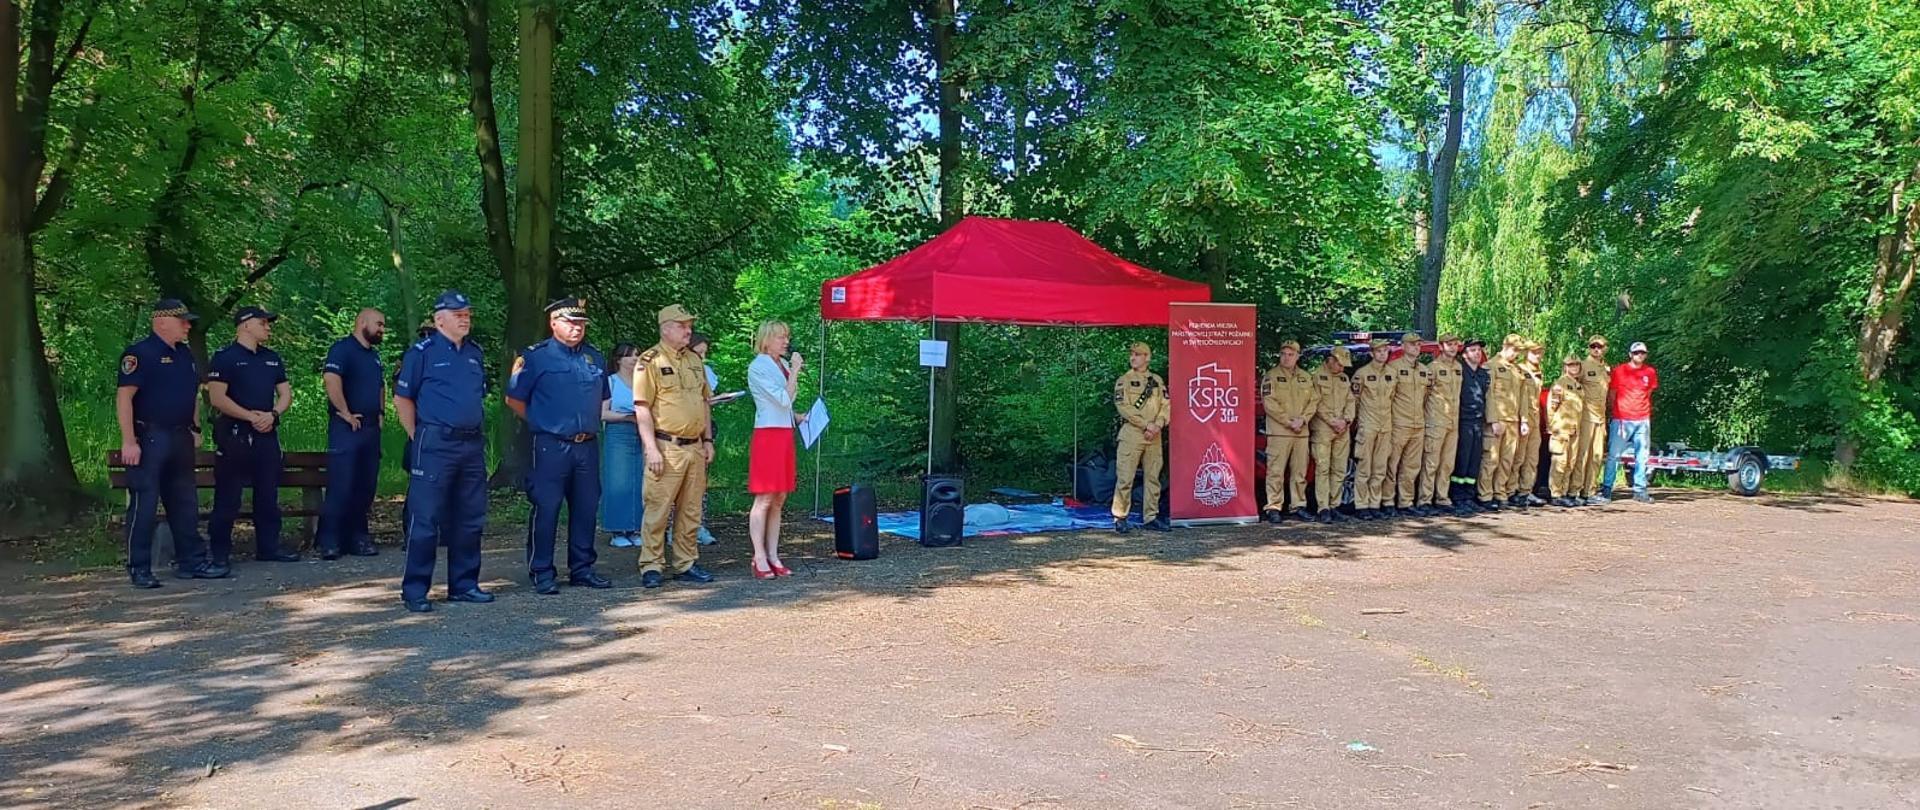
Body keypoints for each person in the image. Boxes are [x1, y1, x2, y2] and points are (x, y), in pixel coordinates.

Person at [394, 290, 492, 612]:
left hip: (471, 444)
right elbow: (403, 399)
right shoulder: (421, 353)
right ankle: (415, 590)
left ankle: (464, 584)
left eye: (467, 314)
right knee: (425, 518)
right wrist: (418, 435)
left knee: (470, 516)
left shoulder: (475, 354)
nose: (465, 318)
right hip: (435, 444)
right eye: (458, 314)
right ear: (439, 320)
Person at [507, 297, 614, 594]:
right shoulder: (535, 357)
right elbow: (514, 399)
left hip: (587, 445)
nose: (577, 328)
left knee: (586, 507)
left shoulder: (594, 357)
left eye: (581, 323)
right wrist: (542, 420)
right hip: (551, 445)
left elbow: (602, 395)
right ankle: (542, 570)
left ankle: (582, 567)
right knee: (547, 506)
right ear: (553, 323)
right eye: (570, 322)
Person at [117, 298, 217, 588]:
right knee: (145, 504)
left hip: (180, 436)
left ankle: (193, 561)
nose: (187, 326)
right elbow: (125, 398)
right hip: (150, 437)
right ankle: (140, 567)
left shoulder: (185, 354)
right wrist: (129, 441)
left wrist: (196, 427)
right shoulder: (139, 354)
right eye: (182, 320)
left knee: (185, 501)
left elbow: (194, 394)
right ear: (161, 322)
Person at [633, 304, 718, 588]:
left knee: (691, 510)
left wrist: (707, 440)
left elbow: (704, 403)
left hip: (694, 447)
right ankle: (651, 565)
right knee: (658, 508)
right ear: (666, 328)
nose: (688, 330)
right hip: (666, 446)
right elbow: (642, 408)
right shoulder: (650, 360)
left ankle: (686, 562)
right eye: (682, 326)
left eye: (689, 325)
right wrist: (651, 448)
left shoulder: (694, 360)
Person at [206, 306, 297, 565]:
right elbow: (217, 398)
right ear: (245, 325)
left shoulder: (272, 358)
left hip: (266, 435)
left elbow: (285, 394)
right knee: (228, 496)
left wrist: (273, 415)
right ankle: (220, 552)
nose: (268, 327)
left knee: (268, 494)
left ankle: (269, 547)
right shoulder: (225, 357)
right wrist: (250, 416)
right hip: (234, 435)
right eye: (263, 323)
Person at [318, 308, 387, 560]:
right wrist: (344, 412)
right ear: (362, 322)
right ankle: (329, 540)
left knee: (365, 486)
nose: (382, 329)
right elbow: (331, 380)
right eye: (379, 324)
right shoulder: (342, 349)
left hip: (370, 428)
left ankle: (358, 537)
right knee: (341, 484)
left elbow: (381, 385)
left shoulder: (374, 357)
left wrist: (380, 413)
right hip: (346, 427)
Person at [747, 320, 807, 578]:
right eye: (781, 337)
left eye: (787, 337)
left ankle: (773, 554)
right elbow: (782, 398)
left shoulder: (780, 364)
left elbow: (786, 404)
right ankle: (758, 556)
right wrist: (795, 371)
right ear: (767, 339)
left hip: (784, 432)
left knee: (780, 496)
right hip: (768, 435)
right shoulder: (758, 367)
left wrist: (796, 416)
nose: (786, 342)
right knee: (765, 496)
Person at [1110, 342, 1171, 533]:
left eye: (1138, 354)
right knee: (1125, 477)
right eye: (1132, 354)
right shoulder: (1124, 381)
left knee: (1153, 477)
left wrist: (1158, 424)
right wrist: (1146, 425)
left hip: (1154, 435)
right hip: (1132, 434)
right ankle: (1120, 517)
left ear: (1147, 357)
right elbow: (1123, 407)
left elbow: (1166, 405)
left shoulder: (1157, 380)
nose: (1133, 357)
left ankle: (1150, 517)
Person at [1260, 340, 1317, 524]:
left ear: (1298, 356)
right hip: (1280, 432)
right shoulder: (1271, 376)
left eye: (1291, 354)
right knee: (1275, 471)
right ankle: (1274, 507)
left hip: (1301, 431)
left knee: (1299, 472)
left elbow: (1314, 402)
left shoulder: (1306, 377)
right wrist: (1288, 421)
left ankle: (1297, 505)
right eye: (1284, 353)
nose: (1287, 357)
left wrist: (1303, 419)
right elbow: (1269, 404)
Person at [1600, 341, 1660, 503]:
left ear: (1645, 355)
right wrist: (1615, 413)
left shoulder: (1650, 372)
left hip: (1642, 419)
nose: (1639, 355)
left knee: (1642, 456)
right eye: (1636, 352)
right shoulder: (1619, 371)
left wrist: (1642, 412)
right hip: (1622, 419)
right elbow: (1612, 394)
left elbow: (1647, 393)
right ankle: (1607, 488)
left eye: (1642, 352)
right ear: (1630, 354)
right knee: (1614, 455)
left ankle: (1640, 489)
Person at [1477, 334, 1528, 511]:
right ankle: (1485, 494)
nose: (1517, 354)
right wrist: (1492, 420)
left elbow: (1523, 397)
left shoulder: (1517, 370)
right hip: (1497, 420)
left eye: (1519, 351)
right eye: (1514, 350)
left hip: (1513, 420)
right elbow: (1488, 395)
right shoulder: (1491, 366)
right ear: (1505, 346)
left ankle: (1500, 492)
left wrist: (1524, 419)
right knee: (1491, 459)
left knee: (1507, 460)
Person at [601, 343, 645, 548]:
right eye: (629, 356)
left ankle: (636, 528)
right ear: (618, 360)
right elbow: (602, 413)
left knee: (640, 480)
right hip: (619, 432)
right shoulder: (611, 382)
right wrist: (627, 417)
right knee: (618, 481)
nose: (634, 359)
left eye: (637, 355)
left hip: (643, 433)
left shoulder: (644, 382)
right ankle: (617, 529)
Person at [1416, 334, 1463, 516]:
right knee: (1431, 462)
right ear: (1441, 347)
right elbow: (1424, 395)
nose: (1452, 348)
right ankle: (1425, 499)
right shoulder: (1432, 368)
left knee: (1447, 463)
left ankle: (1442, 497)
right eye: (1448, 344)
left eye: (1455, 345)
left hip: (1453, 421)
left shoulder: (1458, 368)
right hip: (1436, 421)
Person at [1384, 332, 1429, 517]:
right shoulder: (1393, 368)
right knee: (1391, 464)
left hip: (1418, 424)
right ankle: (1387, 501)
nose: (1416, 347)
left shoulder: (1424, 370)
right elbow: (1388, 397)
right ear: (1403, 346)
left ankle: (1406, 501)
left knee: (1411, 467)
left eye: (1418, 344)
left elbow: (1426, 397)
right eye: (1412, 344)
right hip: (1399, 424)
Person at [1309, 346, 1357, 523]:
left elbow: (1351, 402)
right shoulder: (1316, 377)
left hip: (1342, 430)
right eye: (1340, 364)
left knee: (1339, 469)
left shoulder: (1344, 378)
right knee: (1323, 468)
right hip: (1323, 429)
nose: (1343, 368)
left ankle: (1335, 505)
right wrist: (1332, 421)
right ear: (1330, 360)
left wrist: (1346, 420)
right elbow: (1315, 402)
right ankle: (1323, 507)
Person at [1351, 337, 1397, 520]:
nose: (1382, 354)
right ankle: (1361, 505)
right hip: (1367, 426)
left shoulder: (1392, 373)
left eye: (1385, 351)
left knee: (1380, 467)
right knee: (1364, 468)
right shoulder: (1361, 374)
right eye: (1378, 351)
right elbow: (1354, 400)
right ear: (1371, 353)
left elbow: (1392, 398)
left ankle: (1374, 503)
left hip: (1385, 426)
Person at [1449, 339, 1491, 515]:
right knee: (1462, 461)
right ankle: (1457, 497)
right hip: (1463, 422)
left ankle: (1469, 496)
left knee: (1474, 462)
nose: (1477, 353)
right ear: (1464, 354)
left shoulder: (1483, 374)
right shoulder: (1459, 372)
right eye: (1473, 350)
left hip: (1478, 422)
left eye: (1479, 350)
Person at [686, 333, 720, 546]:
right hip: (679, 432)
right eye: (698, 352)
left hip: (701, 430)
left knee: (700, 482)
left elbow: (707, 399)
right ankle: (674, 528)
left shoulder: (706, 372)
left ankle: (699, 525)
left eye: (704, 353)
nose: (702, 357)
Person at [1546, 355, 1587, 507]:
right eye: (1571, 365)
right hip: (1561, 429)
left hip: (1574, 429)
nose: (1574, 368)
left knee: (1571, 462)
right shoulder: (1560, 384)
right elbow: (1551, 407)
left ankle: (1564, 492)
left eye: (1576, 365)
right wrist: (1553, 426)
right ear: (1565, 367)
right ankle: (1555, 494)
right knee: (1560, 462)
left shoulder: (1578, 386)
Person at [1511, 340, 1548, 508]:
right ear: (1526, 353)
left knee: (1532, 458)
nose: (1538, 355)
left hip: (1535, 419)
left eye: (1540, 352)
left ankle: (1527, 490)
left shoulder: (1538, 371)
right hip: (1523, 418)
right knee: (1518, 457)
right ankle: (1512, 491)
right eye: (1534, 352)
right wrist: (1522, 419)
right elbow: (1520, 398)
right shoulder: (1519, 370)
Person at [1576, 335, 1612, 506]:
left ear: (1605, 348)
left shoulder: (1604, 367)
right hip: (1586, 416)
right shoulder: (1582, 366)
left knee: (1597, 455)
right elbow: (1571, 386)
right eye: (1593, 346)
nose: (1596, 349)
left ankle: (1589, 491)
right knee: (1583, 454)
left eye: (1600, 346)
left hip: (1600, 417)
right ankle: (1575, 490)